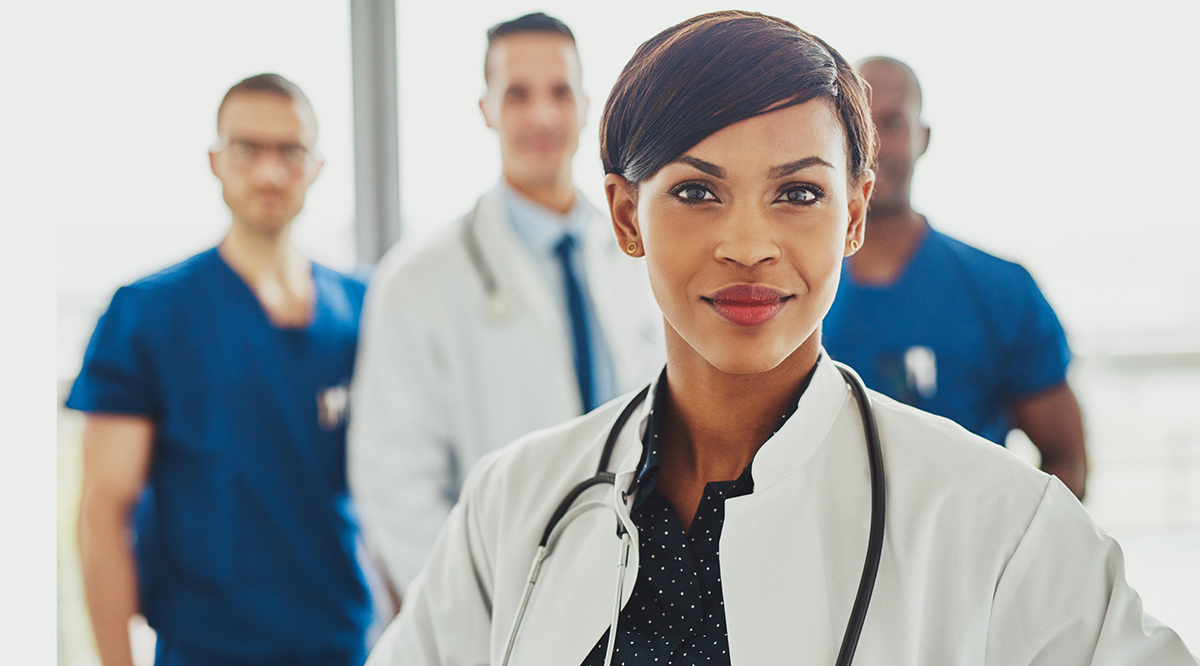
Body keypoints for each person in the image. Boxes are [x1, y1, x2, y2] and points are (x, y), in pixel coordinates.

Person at [362, 11, 1197, 666]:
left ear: (855, 214)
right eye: (696, 192)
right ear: (625, 215)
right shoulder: (514, 505)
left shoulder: (1000, 524)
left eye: (798, 194)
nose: (750, 243)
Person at [348, 12, 663, 596]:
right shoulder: (420, 281)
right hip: (500, 606)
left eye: (559, 92)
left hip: (641, 591)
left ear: (586, 105)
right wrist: (477, 610)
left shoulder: (640, 256)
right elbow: (394, 483)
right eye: (517, 94)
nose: (541, 115)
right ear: (486, 109)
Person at [69, 74, 373, 666]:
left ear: (315, 166)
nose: (268, 171)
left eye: (289, 151)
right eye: (246, 149)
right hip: (206, 647)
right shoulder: (148, 313)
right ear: (215, 160)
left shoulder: (363, 308)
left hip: (344, 640)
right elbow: (104, 511)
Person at [821, 56, 1088, 498]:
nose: (874, 146)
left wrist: (1020, 563)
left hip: (968, 560)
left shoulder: (1002, 291)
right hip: (824, 563)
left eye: (891, 122)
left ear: (922, 137)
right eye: (857, 127)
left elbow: (1065, 458)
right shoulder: (789, 292)